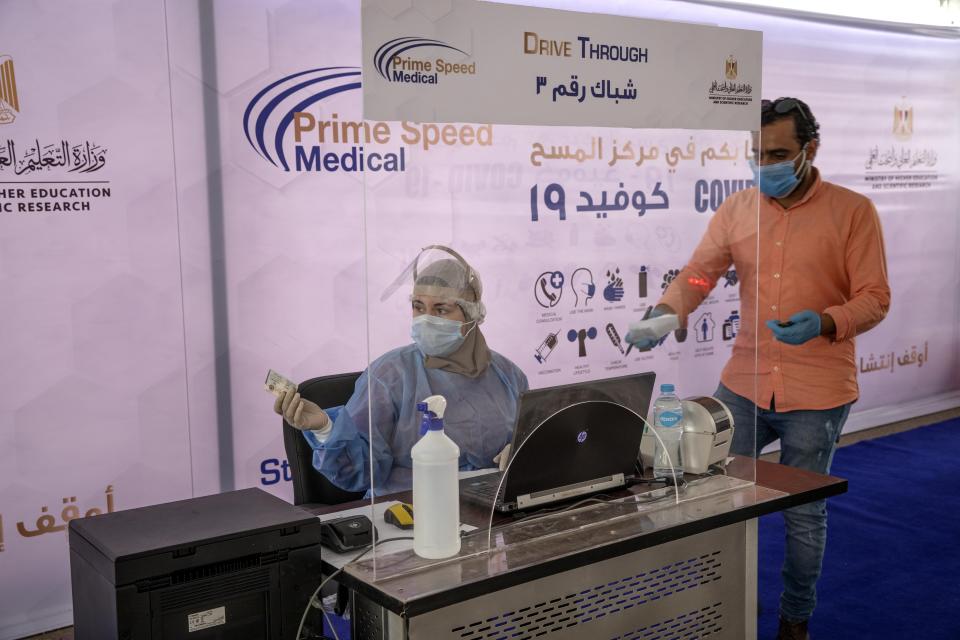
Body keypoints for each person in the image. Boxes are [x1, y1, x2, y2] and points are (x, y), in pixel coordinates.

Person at [626, 98, 890, 640]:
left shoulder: (853, 211)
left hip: (817, 390)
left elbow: (875, 297)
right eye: (756, 154)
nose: (764, 164)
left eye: (777, 153)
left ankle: (795, 621)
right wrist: (666, 312)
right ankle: (724, 608)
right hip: (744, 380)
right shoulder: (737, 209)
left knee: (802, 513)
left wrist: (824, 321)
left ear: (809, 150)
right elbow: (701, 274)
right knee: (714, 495)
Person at [274, 245, 528, 496]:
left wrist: (519, 454)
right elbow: (361, 472)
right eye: (418, 306)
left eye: (441, 309)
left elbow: (528, 440)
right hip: (408, 513)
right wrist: (325, 428)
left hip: (491, 510)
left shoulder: (509, 376)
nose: (426, 319)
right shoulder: (389, 376)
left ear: (473, 314)